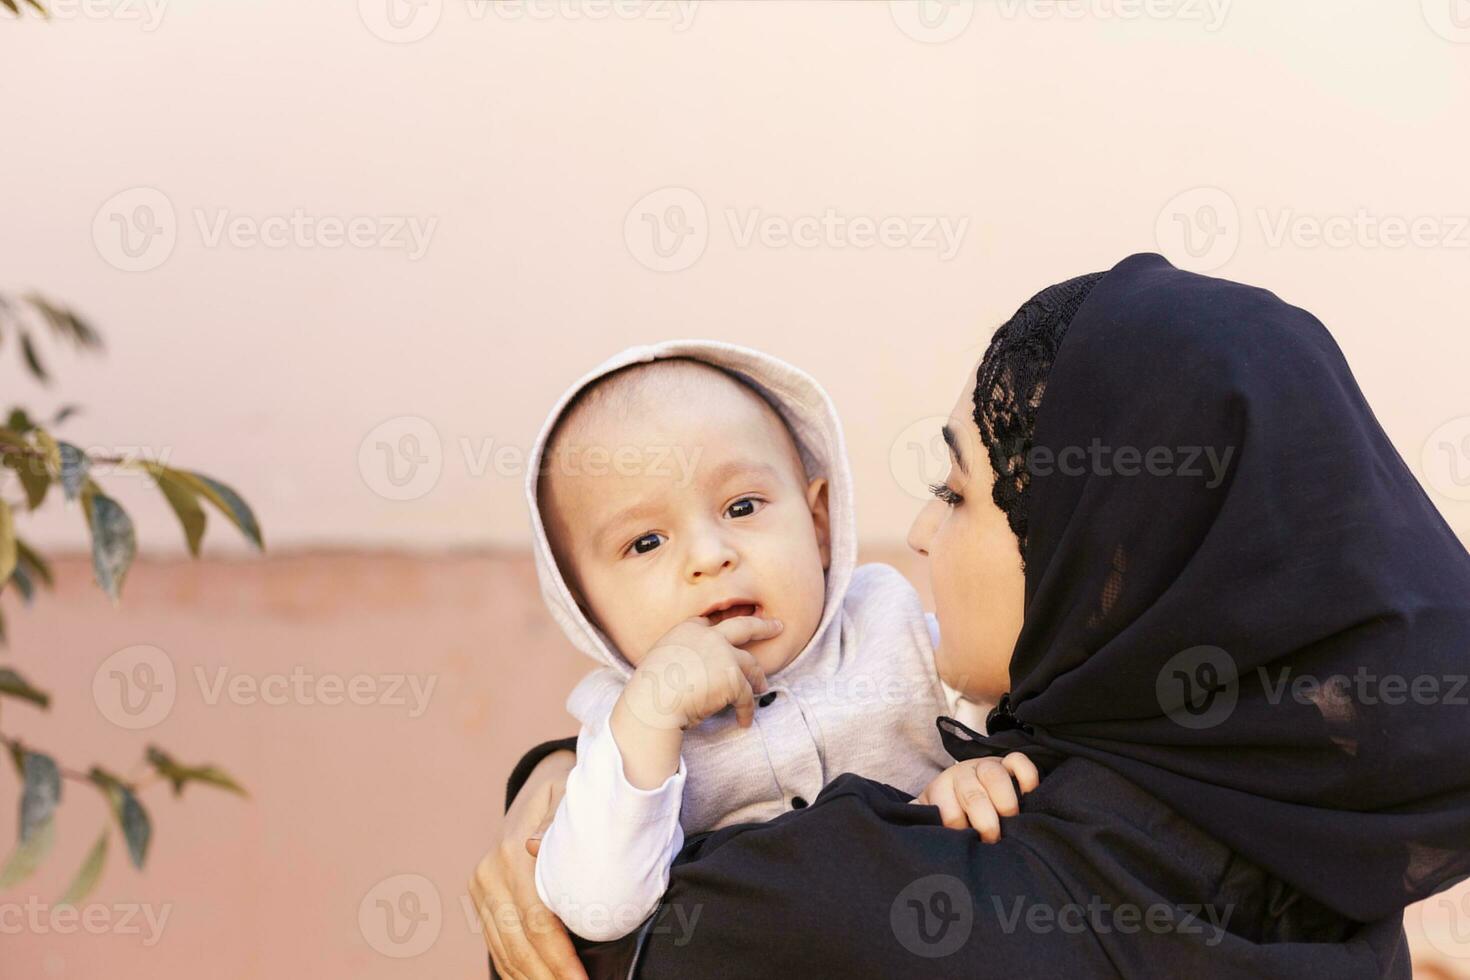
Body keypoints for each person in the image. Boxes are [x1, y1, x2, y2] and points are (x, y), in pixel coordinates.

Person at [472, 253, 1470, 978]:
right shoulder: (1337, 879)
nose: (914, 533)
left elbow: (581, 936)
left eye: (958, 494)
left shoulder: (826, 902)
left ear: (1097, 558)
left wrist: (558, 780)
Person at [523, 342, 1015, 943]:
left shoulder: (895, 627)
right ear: (586, 607)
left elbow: (1027, 723)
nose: (710, 556)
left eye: (742, 505)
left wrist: (979, 772)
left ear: (818, 525)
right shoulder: (622, 728)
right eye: (646, 543)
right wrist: (649, 716)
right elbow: (598, 907)